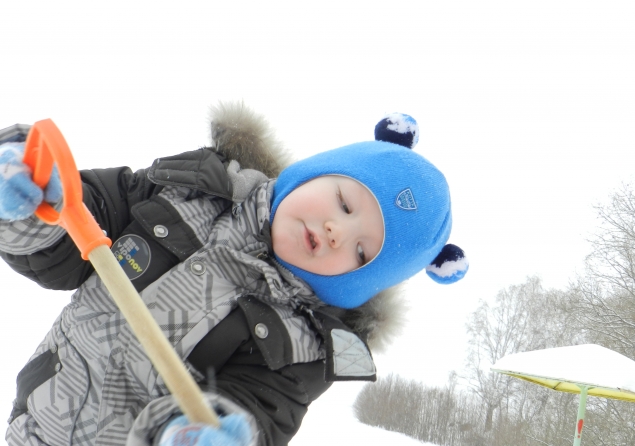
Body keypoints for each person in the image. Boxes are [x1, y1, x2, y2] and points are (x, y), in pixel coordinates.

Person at [0, 102, 468, 446]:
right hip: (36, 420)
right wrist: (30, 202)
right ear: (312, 175)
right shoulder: (189, 190)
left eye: (363, 250)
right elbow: (78, 224)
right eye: (344, 202)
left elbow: (258, 411)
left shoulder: (301, 348)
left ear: (356, 281)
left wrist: (212, 430)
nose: (335, 230)